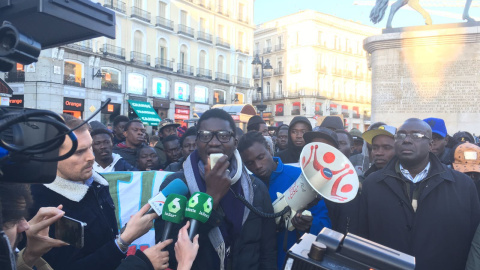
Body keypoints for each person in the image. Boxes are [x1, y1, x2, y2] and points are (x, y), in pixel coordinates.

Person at [30, 115, 161, 270]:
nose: (91, 157)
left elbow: (100, 243)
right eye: (79, 152)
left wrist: (123, 234)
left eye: (90, 147)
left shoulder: (97, 184)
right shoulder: (40, 203)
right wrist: (124, 242)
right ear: (50, 156)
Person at [154, 108, 277, 270]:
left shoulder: (256, 188)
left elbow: (268, 250)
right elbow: (166, 250)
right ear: (197, 142)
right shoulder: (175, 185)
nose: (214, 142)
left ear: (235, 142)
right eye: (205, 135)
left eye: (224, 135)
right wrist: (210, 197)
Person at [359, 118, 480, 270]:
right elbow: (362, 239)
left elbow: (473, 244)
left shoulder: (463, 186)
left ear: (430, 145)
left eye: (416, 135)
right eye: (401, 135)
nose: (407, 140)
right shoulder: (372, 184)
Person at [238, 131, 331, 269]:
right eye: (250, 163)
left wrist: (310, 225)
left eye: (261, 157)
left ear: (269, 149)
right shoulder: (243, 187)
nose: (257, 166)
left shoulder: (299, 177)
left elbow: (325, 226)